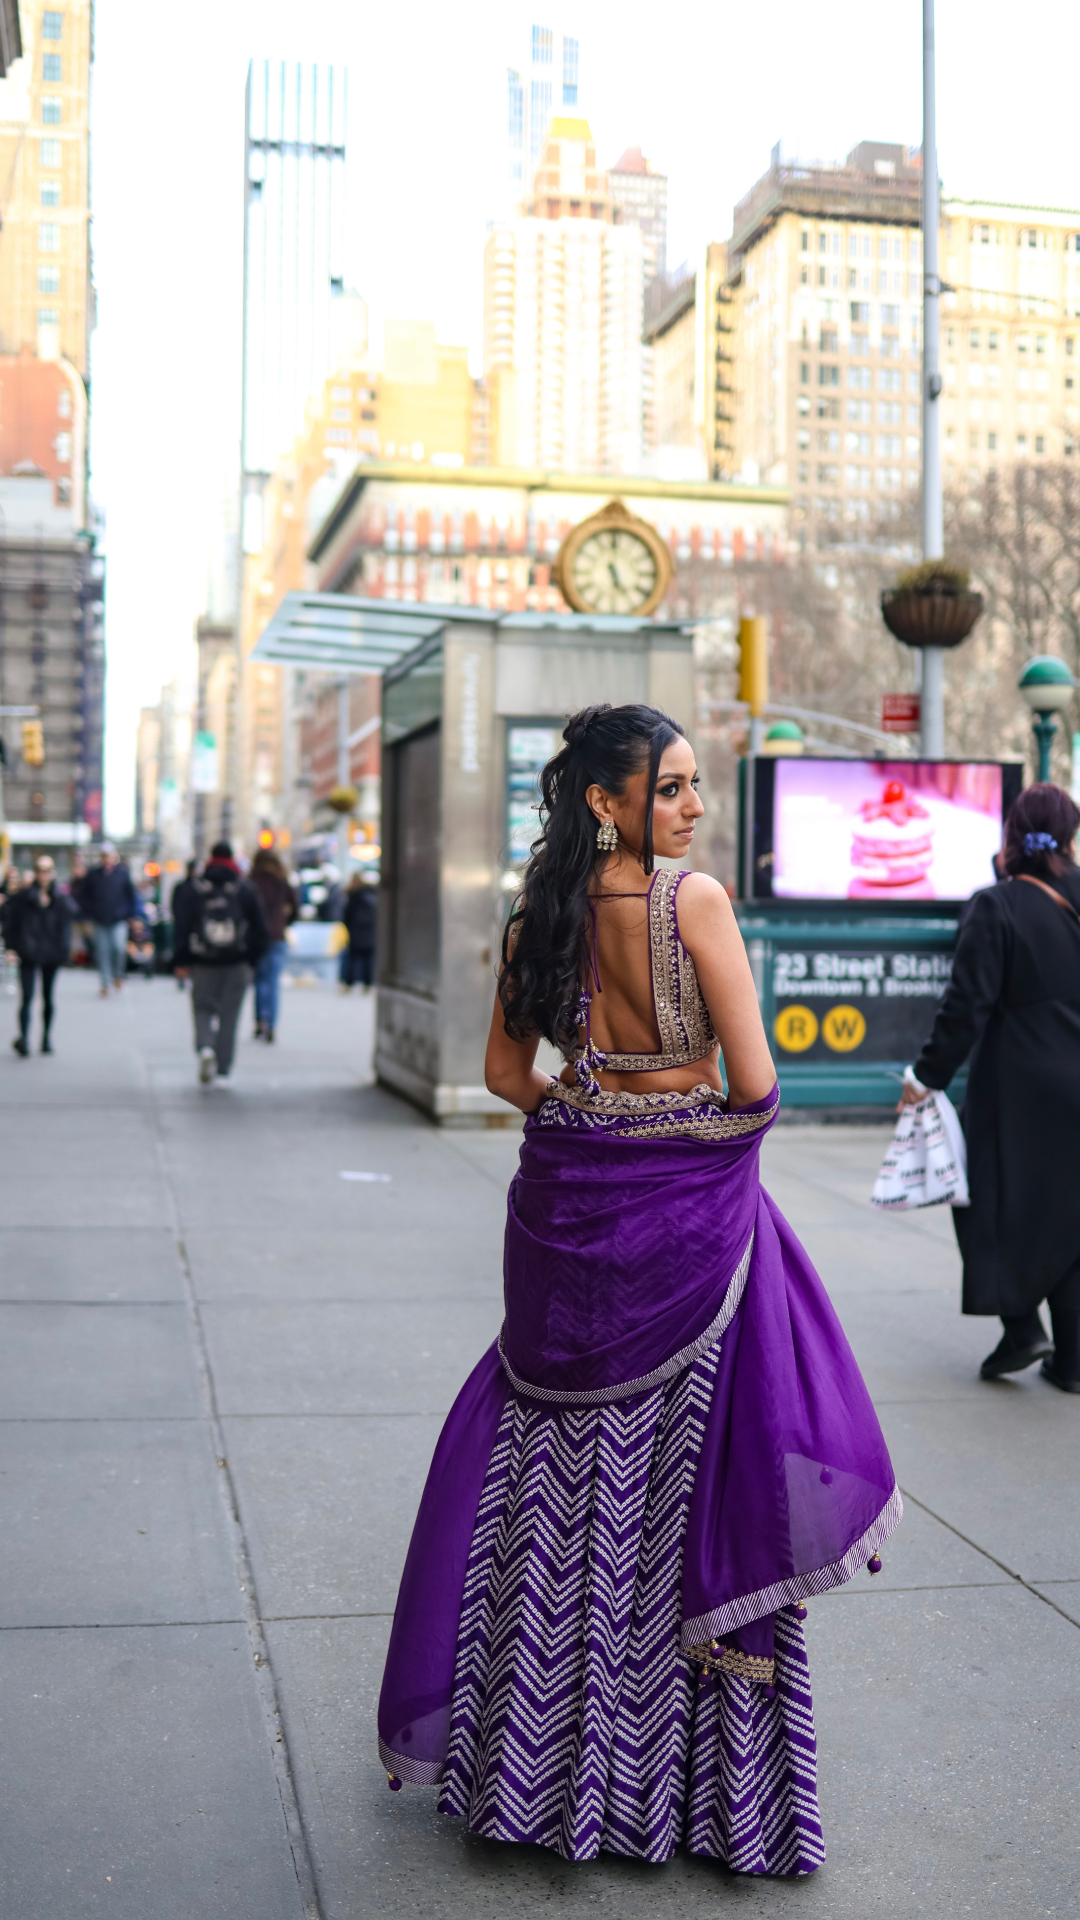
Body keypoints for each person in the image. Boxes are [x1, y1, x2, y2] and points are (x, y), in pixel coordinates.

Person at [377, 704, 901, 1875]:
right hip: (687, 1228)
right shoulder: (693, 902)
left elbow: (507, 1074)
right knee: (683, 1490)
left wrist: (595, 1120)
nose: (693, 808)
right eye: (669, 789)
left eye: (692, 787)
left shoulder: (539, 918)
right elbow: (758, 1090)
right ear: (607, 801)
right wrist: (683, 1128)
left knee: (557, 1489)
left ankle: (530, 1780)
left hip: (565, 1213)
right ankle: (686, 1800)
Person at [903, 782, 1080, 1393]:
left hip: (1018, 1089)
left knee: (987, 1199)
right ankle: (1073, 1361)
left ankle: (1021, 1324)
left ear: (1011, 837)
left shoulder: (996, 904)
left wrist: (925, 1079)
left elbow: (965, 1007)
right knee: (1071, 1210)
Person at [172, 840, 268, 1084]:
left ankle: (205, 1048)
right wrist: (254, 959)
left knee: (202, 1008)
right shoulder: (244, 888)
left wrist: (182, 960)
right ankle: (223, 1068)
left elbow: (181, 926)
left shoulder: (195, 888)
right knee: (230, 1015)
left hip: (203, 961)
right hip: (237, 963)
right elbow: (260, 928)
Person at [4, 853, 72, 1055]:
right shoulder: (24, 896)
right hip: (28, 951)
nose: (43, 875)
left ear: (52, 873)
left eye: (47, 870)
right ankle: (24, 1038)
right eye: (39, 870)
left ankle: (45, 1038)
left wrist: (63, 950)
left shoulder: (60, 898)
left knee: (48, 997)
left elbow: (68, 922)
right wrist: (10, 948)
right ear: (35, 873)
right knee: (26, 997)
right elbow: (9, 922)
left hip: (51, 953)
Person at [74, 843, 141, 996]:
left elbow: (131, 895)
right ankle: (105, 982)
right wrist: (88, 913)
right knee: (102, 951)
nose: (106, 859)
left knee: (118, 948)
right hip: (99, 920)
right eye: (103, 856)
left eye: (108, 855)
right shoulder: (94, 874)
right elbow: (84, 896)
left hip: (118, 919)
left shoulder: (122, 873)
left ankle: (118, 975)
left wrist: (132, 915)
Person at [249, 847, 298, 1041]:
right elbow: (295, 907)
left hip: (257, 937)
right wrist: (284, 922)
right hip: (277, 935)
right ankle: (271, 1023)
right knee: (272, 981)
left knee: (260, 980)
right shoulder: (282, 881)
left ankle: (260, 1021)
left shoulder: (253, 881)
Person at [339, 870, 377, 990]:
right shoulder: (373, 894)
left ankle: (349, 983)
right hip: (370, 932)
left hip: (355, 931)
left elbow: (347, 914)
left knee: (352, 959)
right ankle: (368, 984)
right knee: (368, 959)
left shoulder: (354, 895)